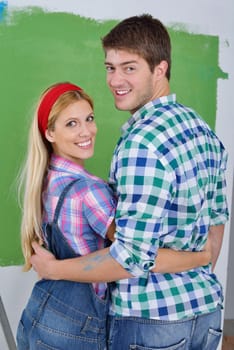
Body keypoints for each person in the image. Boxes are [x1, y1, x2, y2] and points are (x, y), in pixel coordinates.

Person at [31, 14, 229, 350]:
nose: (115, 79)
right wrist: (201, 262)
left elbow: (129, 259)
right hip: (207, 314)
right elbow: (217, 223)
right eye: (110, 67)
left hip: (150, 322)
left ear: (160, 69)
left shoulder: (142, 142)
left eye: (129, 67)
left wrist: (54, 270)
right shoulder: (200, 128)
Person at [16, 81, 210, 350]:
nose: (86, 131)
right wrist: (201, 257)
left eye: (89, 119)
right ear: (49, 133)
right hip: (74, 328)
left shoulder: (47, 180)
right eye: (71, 124)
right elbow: (136, 256)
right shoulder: (89, 191)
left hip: (37, 315)